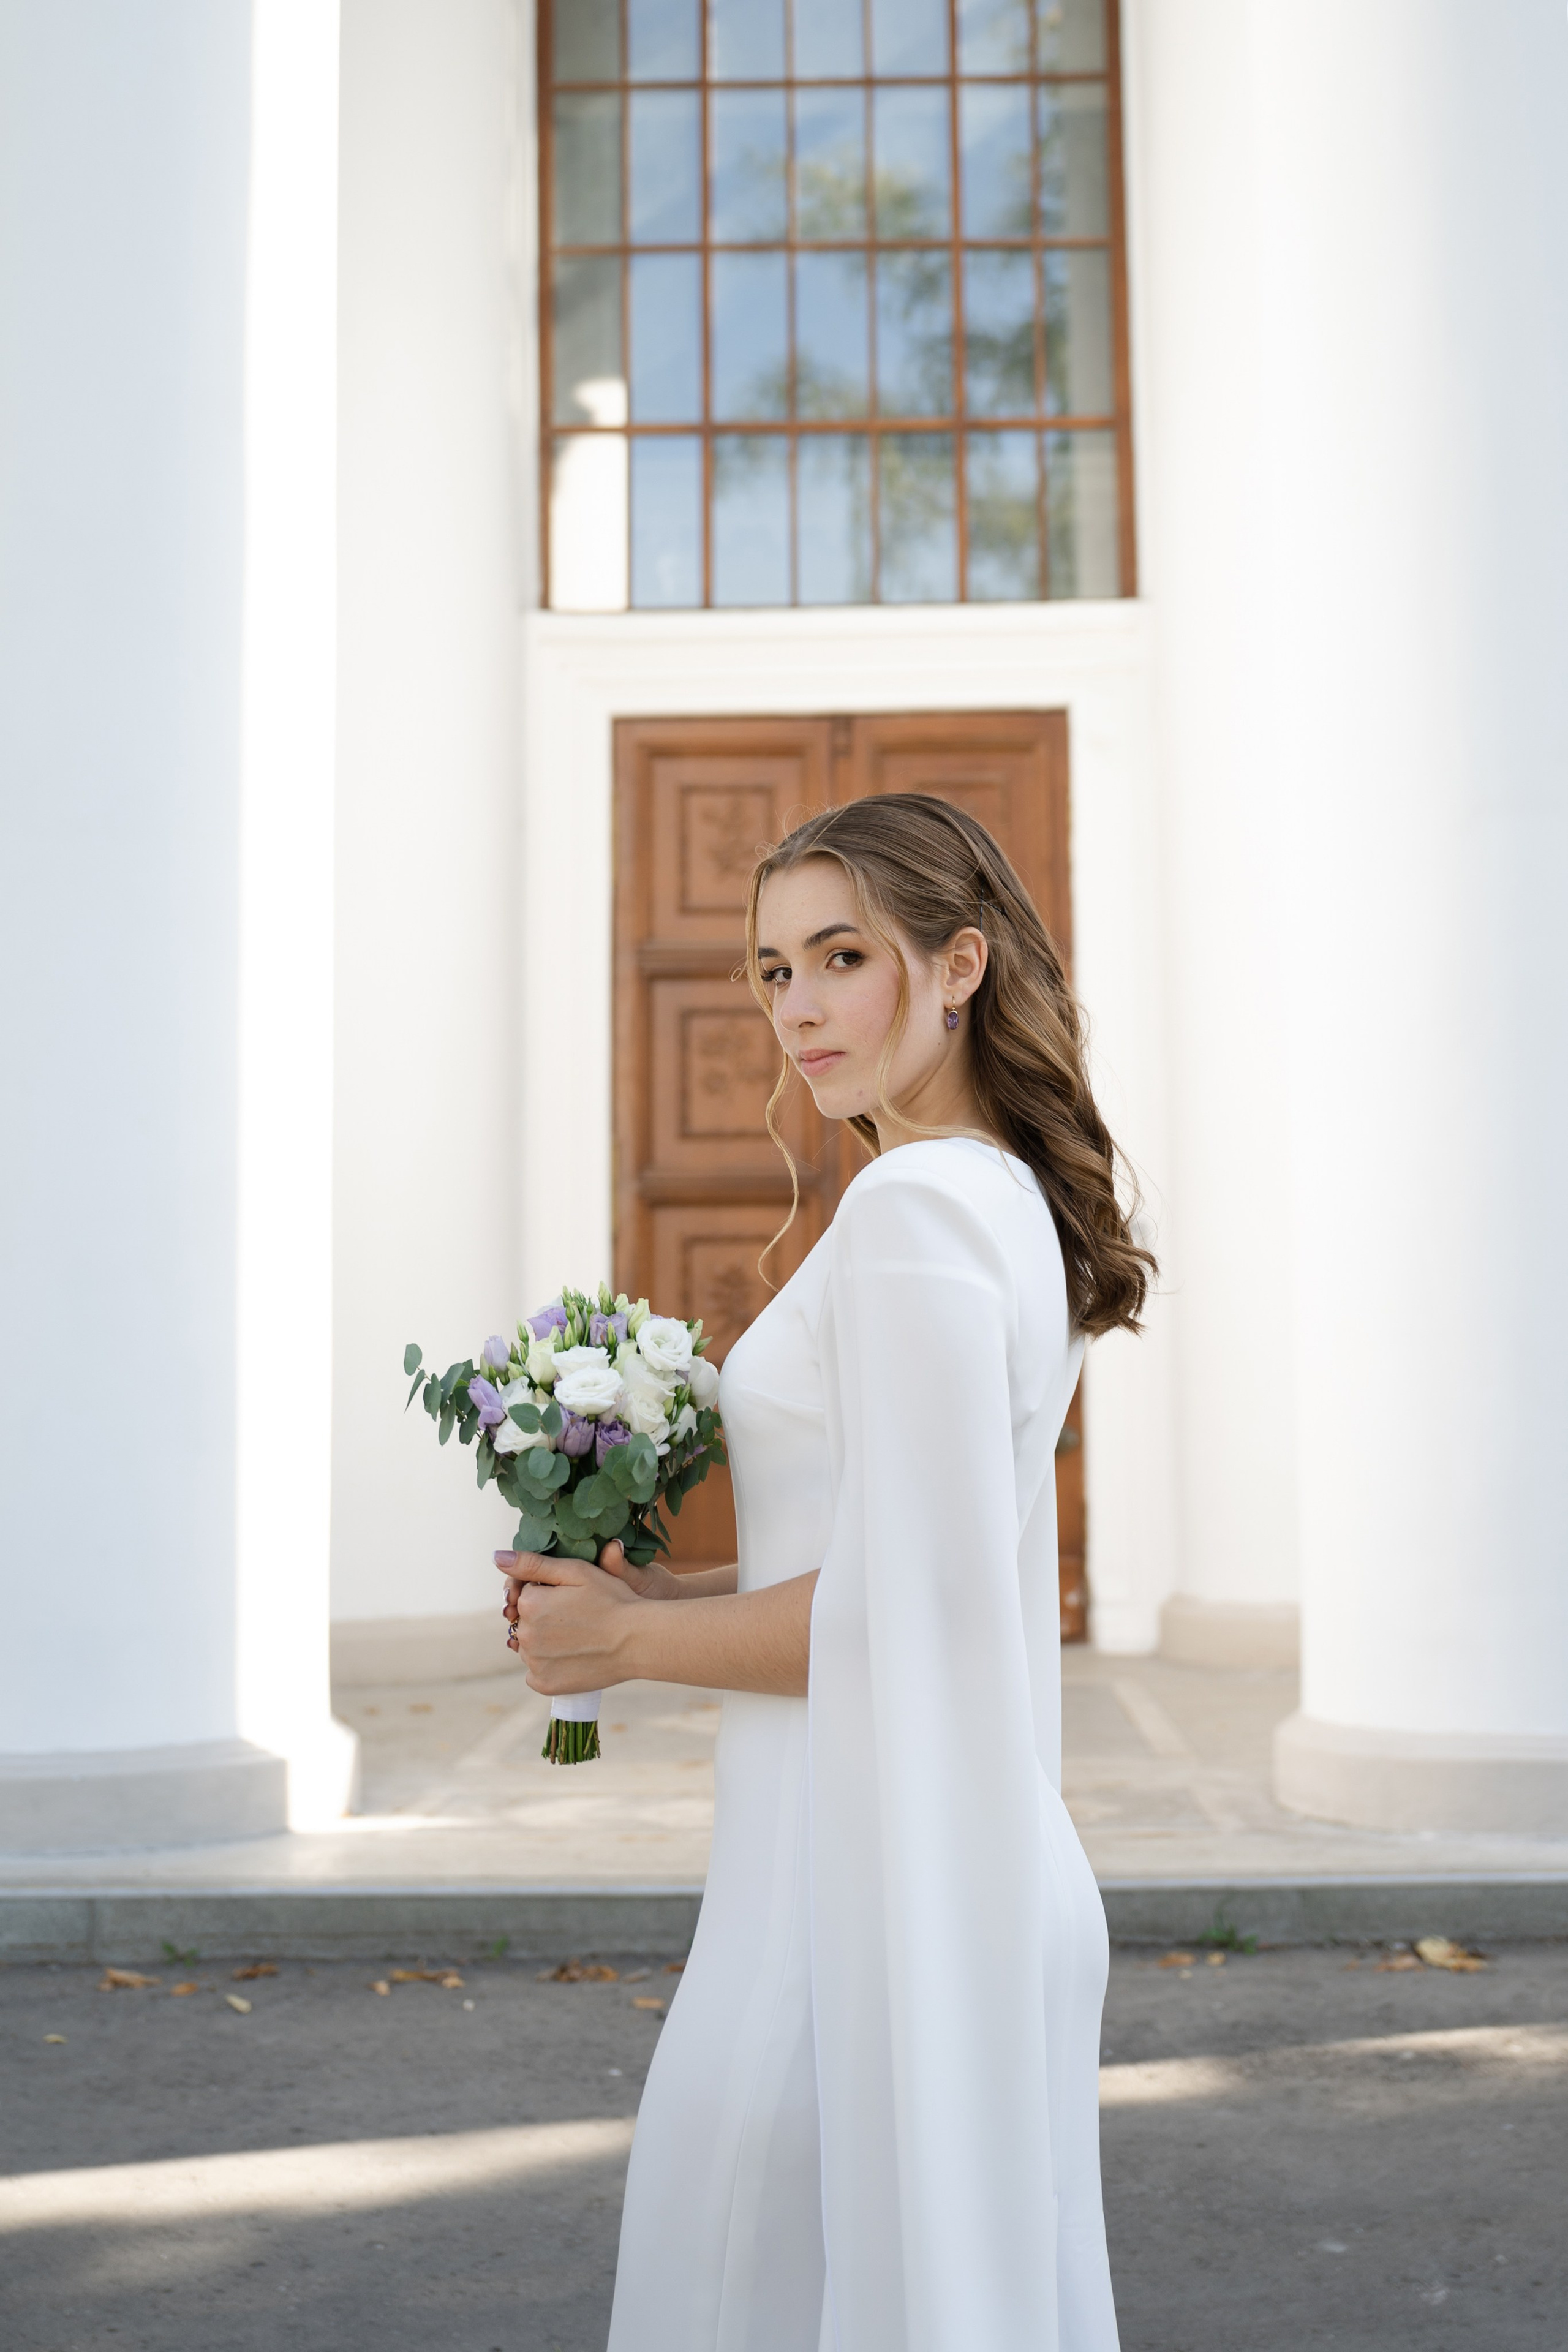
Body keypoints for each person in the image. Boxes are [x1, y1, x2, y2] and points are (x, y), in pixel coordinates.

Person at [499, 794, 1155, 2352]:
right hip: (934, 1866)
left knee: (722, 2285)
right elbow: (899, 1552)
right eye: (772, 968)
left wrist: (631, 1653)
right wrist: (643, 1599)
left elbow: (907, 1613)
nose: (795, 1007)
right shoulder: (992, 1194)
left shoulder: (918, 1207)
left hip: (859, 1903)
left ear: (957, 967)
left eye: (841, 955)